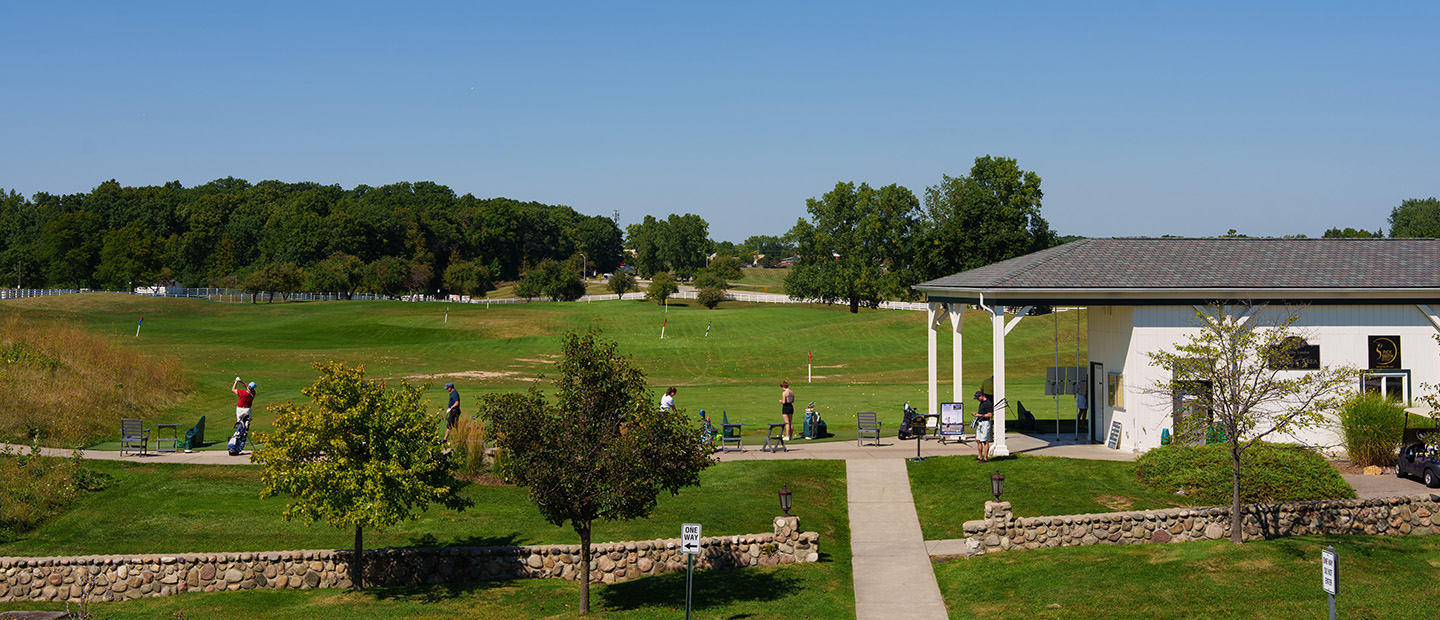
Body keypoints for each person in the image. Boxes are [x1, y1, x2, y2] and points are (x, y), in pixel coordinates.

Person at [974, 390, 994, 462]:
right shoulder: (981, 403)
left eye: (978, 398)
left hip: (986, 423)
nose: (977, 399)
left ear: (981, 396)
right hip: (980, 422)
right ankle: (980, 456)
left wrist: (979, 415)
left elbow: (990, 415)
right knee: (978, 440)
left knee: (985, 441)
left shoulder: (988, 403)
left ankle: (985, 458)